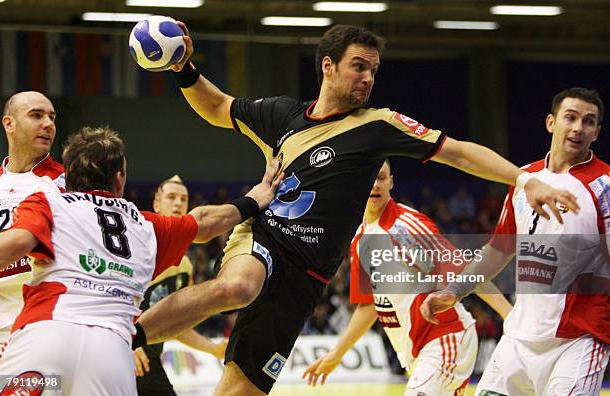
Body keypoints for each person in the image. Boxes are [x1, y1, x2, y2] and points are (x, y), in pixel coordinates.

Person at [134, 23, 580, 395]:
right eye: (358, 67)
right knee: (238, 288)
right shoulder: (282, 116)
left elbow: (458, 152)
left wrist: (523, 178)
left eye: (373, 70)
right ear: (328, 67)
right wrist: (183, 67)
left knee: (238, 391)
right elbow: (216, 106)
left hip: (306, 278)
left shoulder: (378, 126)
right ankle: (126, 335)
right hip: (264, 238)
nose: (368, 78)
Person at [0, 126, 280, 395]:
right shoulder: (146, 225)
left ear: (67, 178)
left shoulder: (47, 203)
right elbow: (204, 222)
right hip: (112, 352)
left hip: (44, 335)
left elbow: (17, 243)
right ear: (119, 178)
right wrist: (255, 199)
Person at [420, 87, 609, 395]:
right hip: (518, 340)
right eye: (570, 118)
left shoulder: (604, 187)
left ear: (597, 132)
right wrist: (454, 292)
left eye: (588, 122)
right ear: (551, 122)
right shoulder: (523, 177)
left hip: (578, 342)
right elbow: (498, 249)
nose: (578, 128)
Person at [302, 160, 513, 395]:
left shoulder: (406, 227)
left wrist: (508, 315)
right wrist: (337, 354)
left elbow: (466, 271)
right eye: (369, 177)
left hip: (445, 337)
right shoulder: (361, 238)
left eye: (381, 177)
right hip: (417, 352)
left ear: (391, 182)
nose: (375, 185)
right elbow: (369, 306)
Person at [135, 174, 227, 395]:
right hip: (120, 354)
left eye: (183, 199)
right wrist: (126, 342)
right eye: (171, 197)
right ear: (156, 205)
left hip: (148, 362)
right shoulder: (138, 245)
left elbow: (173, 324)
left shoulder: (185, 265)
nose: (178, 203)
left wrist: (214, 349)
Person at [0, 91, 64, 348]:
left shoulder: (68, 184)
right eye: (36, 115)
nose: (48, 124)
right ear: (9, 124)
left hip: (41, 330)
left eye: (51, 117)